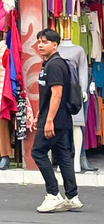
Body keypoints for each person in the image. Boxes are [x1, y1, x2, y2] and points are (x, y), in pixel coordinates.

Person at [31, 29, 82, 212]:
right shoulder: (51, 63)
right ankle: (72, 196)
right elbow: (48, 96)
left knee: (38, 152)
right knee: (62, 156)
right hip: (58, 118)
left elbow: (57, 94)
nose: (40, 45)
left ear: (55, 44)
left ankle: (53, 194)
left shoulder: (55, 65)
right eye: (39, 42)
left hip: (55, 119)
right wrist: (40, 114)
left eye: (44, 42)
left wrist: (49, 120)